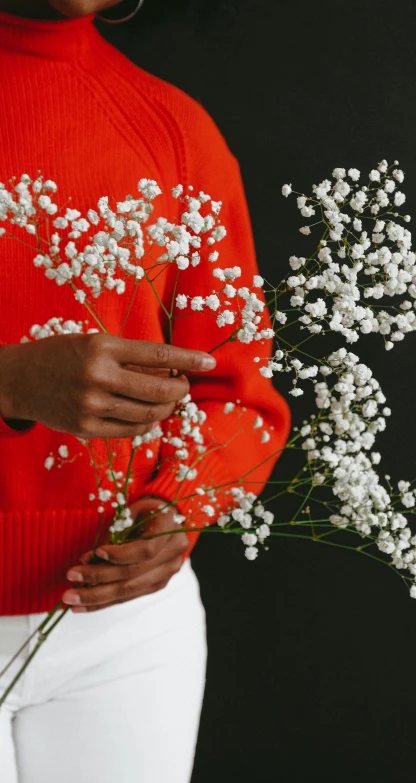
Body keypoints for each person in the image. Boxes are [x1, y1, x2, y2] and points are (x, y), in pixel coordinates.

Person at [0, 1, 291, 781]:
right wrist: (11, 379)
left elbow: (236, 390)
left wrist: (178, 505)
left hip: (125, 636)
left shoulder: (172, 129)